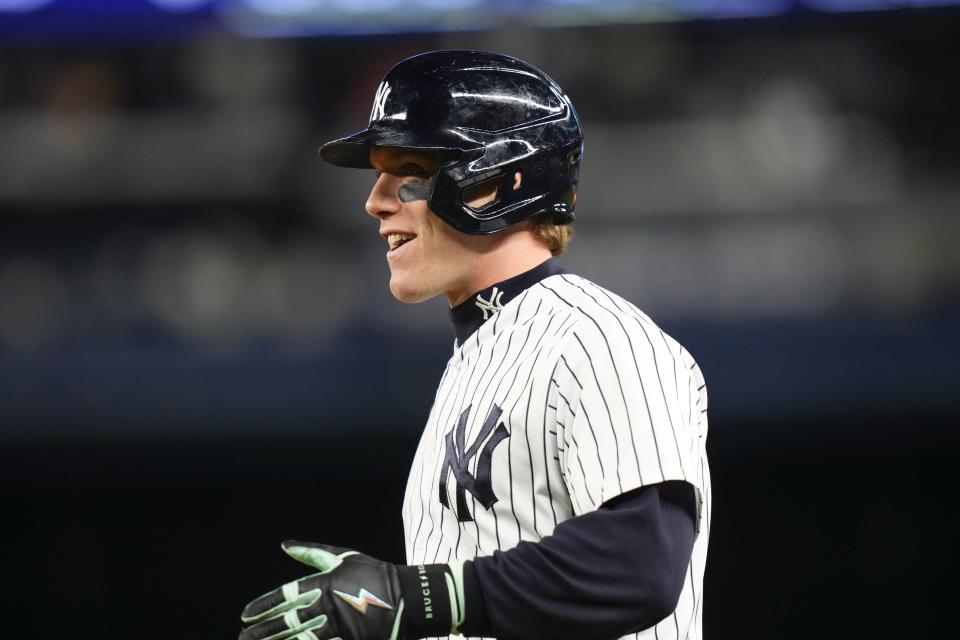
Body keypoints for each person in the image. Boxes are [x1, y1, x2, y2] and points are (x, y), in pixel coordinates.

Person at [238, 50, 711, 640]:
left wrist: (419, 597)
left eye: (408, 171)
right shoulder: (480, 356)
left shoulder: (598, 337)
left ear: (493, 181)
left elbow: (642, 563)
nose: (377, 200)